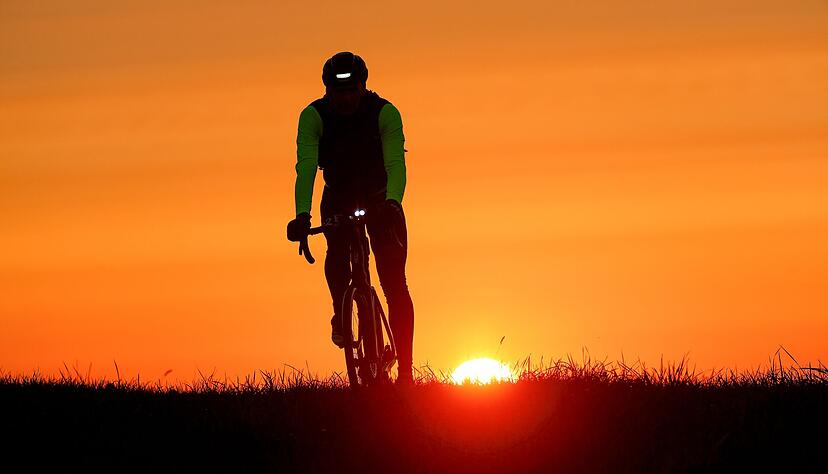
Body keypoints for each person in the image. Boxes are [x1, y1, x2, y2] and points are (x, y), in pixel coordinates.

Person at [286, 51, 415, 384]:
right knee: (337, 255)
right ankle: (341, 314)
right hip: (338, 197)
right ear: (327, 90)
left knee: (394, 283)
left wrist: (392, 204)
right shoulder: (313, 117)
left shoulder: (384, 113)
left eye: (350, 91)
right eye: (336, 92)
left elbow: (396, 167)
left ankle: (406, 373)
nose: (344, 99)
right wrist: (302, 214)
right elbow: (306, 168)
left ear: (363, 86)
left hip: (380, 199)